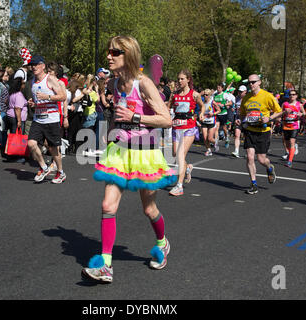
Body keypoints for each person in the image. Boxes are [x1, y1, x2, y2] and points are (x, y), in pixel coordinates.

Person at [82, 35, 176, 283]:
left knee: (149, 208)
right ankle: (105, 265)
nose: (109, 56)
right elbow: (118, 114)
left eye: (115, 52)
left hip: (145, 152)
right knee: (107, 206)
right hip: (120, 151)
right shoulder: (114, 84)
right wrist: (111, 132)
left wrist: (135, 118)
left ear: (129, 55)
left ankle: (162, 243)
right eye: (109, 51)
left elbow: (166, 119)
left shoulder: (143, 83)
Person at [236, 74, 282, 195]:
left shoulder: (267, 96)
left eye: (253, 82)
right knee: (250, 157)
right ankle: (254, 184)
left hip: (263, 132)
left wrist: (269, 118)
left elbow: (279, 111)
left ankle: (269, 168)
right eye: (249, 83)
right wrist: (240, 120)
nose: (251, 84)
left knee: (261, 159)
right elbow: (242, 113)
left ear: (259, 82)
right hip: (250, 130)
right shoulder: (246, 98)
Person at [27, 55, 67, 183]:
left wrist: (47, 96)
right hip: (38, 118)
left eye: (36, 64)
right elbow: (38, 100)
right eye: (31, 65)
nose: (33, 67)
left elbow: (62, 96)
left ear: (43, 66)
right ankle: (44, 167)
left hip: (51, 118)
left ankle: (60, 172)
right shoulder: (32, 81)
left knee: (53, 149)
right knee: (31, 144)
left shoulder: (50, 79)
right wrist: (34, 103)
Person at [167, 69, 205, 196]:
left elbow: (202, 105)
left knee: (180, 155)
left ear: (188, 79)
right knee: (175, 154)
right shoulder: (174, 95)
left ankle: (179, 186)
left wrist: (202, 114)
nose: (179, 81)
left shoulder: (195, 95)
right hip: (176, 127)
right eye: (178, 79)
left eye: (182, 79)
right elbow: (168, 107)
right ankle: (187, 167)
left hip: (189, 127)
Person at [3, 77, 28, 162]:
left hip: (9, 116)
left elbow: (6, 102)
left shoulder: (12, 93)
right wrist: (19, 120)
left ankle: (10, 154)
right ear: (20, 85)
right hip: (16, 118)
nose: (24, 85)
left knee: (12, 136)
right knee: (17, 137)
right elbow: (17, 108)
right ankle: (16, 155)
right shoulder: (19, 95)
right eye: (23, 83)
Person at [281, 90, 306, 167]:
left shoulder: (299, 105)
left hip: (294, 125)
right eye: (290, 94)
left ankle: (290, 161)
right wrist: (284, 112)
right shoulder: (284, 104)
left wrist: (301, 114)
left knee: (291, 142)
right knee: (287, 143)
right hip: (286, 125)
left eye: (293, 94)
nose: (292, 96)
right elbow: (279, 112)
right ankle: (291, 151)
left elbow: (304, 113)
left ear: (296, 96)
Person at [199, 89, 220, 156]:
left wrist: (213, 114)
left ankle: (215, 142)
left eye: (206, 95)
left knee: (210, 138)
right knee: (205, 138)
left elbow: (219, 110)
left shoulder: (212, 102)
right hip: (204, 121)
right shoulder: (202, 102)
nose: (205, 96)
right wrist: (201, 116)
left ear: (210, 95)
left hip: (211, 121)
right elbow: (201, 112)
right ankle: (209, 150)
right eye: (204, 94)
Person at [213, 82, 232, 150]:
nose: (218, 89)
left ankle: (227, 138)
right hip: (217, 114)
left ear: (222, 88)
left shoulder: (225, 95)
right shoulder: (214, 95)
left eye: (219, 88)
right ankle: (216, 142)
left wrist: (224, 105)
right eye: (217, 88)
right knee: (216, 128)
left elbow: (230, 103)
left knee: (224, 128)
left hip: (223, 113)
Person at [232, 85, 247, 158]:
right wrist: (236, 118)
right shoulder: (236, 98)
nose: (240, 93)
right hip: (238, 119)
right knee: (237, 135)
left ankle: (247, 151)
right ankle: (236, 151)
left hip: (246, 120)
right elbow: (235, 109)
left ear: (245, 92)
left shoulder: (248, 99)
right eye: (239, 91)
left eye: (241, 92)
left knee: (246, 136)